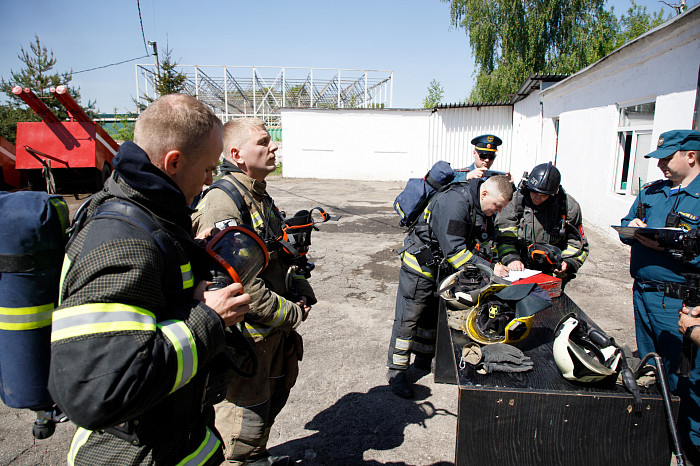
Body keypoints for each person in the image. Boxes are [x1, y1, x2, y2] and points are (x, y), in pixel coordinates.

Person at [48, 94, 251, 465]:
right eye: (207, 169)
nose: (209, 181)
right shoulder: (123, 240)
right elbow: (101, 393)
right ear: (173, 162)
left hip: (173, 439)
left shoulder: (149, 211)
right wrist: (209, 319)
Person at [192, 118, 314, 465]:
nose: (273, 147)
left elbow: (281, 253)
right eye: (263, 142)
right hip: (247, 345)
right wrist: (292, 314)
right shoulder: (223, 202)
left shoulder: (259, 195)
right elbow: (238, 282)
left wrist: (302, 289)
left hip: (272, 339)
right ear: (237, 154)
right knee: (243, 436)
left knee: (264, 420)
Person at [386, 175, 513, 398]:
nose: (497, 211)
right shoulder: (455, 203)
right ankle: (396, 372)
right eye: (496, 206)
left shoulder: (477, 205)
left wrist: (494, 261)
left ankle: (424, 361)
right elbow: (455, 253)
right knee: (408, 320)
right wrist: (489, 270)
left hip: (438, 269)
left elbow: (478, 242)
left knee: (431, 317)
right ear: (485, 194)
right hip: (419, 269)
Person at [619, 129, 700, 462]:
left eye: (667, 159)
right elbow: (626, 223)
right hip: (643, 294)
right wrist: (634, 228)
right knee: (654, 373)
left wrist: (673, 244)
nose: (661, 167)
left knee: (686, 380)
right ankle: (655, 443)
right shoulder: (653, 191)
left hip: (679, 302)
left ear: (691, 156)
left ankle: (690, 447)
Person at [495, 162, 589, 286]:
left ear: (553, 194)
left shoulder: (568, 207)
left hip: (552, 271)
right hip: (519, 268)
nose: (537, 199)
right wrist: (511, 258)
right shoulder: (515, 201)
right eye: (534, 193)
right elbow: (503, 237)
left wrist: (568, 263)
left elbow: (578, 244)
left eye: (543, 195)